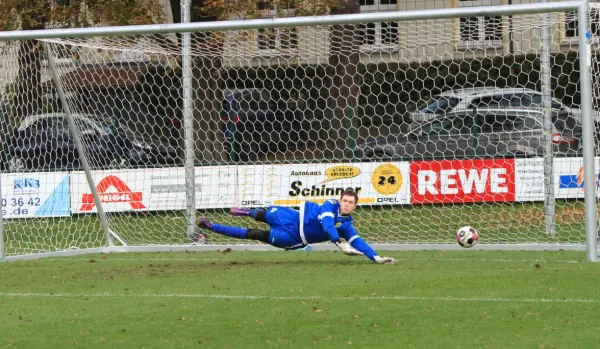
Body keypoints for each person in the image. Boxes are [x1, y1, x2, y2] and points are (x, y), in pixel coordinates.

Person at [197, 188, 397, 264]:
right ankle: (245, 211)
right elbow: (327, 223)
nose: (346, 204)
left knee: (255, 234)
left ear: (355, 206)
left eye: (350, 202)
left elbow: (357, 241)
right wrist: (337, 242)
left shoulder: (347, 224)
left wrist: (376, 258)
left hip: (293, 238)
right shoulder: (330, 205)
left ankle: (210, 226)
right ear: (340, 200)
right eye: (344, 200)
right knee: (261, 214)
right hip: (293, 217)